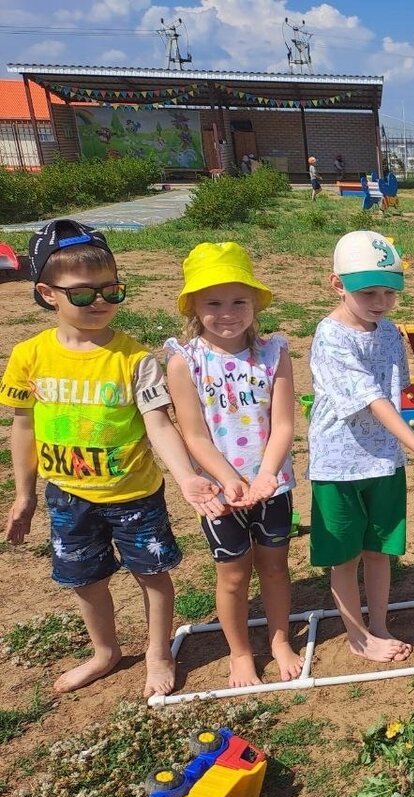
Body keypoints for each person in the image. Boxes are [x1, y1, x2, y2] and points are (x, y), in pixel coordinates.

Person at [0, 220, 224, 697]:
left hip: (134, 495)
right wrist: (25, 495)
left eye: (112, 290)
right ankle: (105, 652)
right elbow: (23, 426)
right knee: (84, 578)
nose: (99, 302)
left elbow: (158, 424)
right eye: (82, 294)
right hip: (69, 496)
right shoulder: (28, 356)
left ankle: (158, 652)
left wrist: (185, 477)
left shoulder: (134, 359)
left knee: (153, 574)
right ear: (47, 293)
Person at [308, 230, 414, 663]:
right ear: (337, 284)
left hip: (384, 460)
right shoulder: (330, 336)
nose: (380, 301)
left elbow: (396, 390)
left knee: (380, 550)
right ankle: (357, 635)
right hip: (339, 464)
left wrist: (404, 445)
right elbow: (372, 398)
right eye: (368, 291)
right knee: (345, 555)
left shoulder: (389, 333)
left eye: (389, 292)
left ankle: (380, 624)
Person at [164, 242, 303, 688]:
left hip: (272, 485)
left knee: (276, 566)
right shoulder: (185, 362)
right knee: (233, 573)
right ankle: (240, 651)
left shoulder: (273, 353)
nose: (228, 312)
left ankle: (280, 639)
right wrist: (227, 479)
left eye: (239, 300)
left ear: (255, 302)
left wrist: (265, 474)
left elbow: (283, 422)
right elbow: (194, 435)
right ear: (194, 307)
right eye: (214, 302)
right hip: (220, 494)